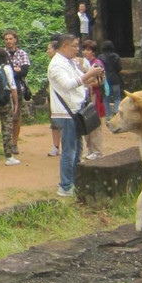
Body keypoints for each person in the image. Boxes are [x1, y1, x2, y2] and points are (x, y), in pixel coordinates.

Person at [48, 34, 104, 197]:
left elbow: (79, 82)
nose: (77, 49)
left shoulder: (69, 62)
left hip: (74, 110)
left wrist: (93, 76)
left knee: (77, 149)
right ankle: (65, 185)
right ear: (64, 46)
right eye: (74, 46)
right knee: (69, 150)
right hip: (66, 113)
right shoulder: (57, 64)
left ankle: (74, 181)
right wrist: (88, 74)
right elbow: (68, 85)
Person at [3, 30, 31, 153]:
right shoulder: (2, 54)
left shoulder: (22, 54)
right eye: (6, 39)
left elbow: (24, 71)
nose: (8, 41)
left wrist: (11, 70)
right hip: (4, 89)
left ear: (15, 39)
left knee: (16, 116)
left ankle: (14, 143)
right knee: (4, 116)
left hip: (19, 89)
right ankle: (7, 142)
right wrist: (16, 70)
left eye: (10, 39)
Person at [80, 40, 106, 160]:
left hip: (94, 96)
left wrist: (86, 82)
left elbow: (100, 81)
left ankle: (97, 151)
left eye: (88, 50)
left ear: (93, 52)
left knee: (95, 124)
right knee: (86, 123)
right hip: (85, 97)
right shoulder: (83, 63)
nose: (85, 52)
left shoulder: (97, 64)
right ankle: (90, 149)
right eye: (84, 49)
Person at [44, 34, 62, 157]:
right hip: (54, 97)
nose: (47, 51)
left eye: (49, 48)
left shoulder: (62, 63)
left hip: (62, 98)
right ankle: (56, 146)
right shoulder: (52, 64)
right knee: (54, 122)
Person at [99, 40, 123, 119]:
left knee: (106, 99)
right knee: (117, 98)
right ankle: (117, 113)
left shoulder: (100, 57)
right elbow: (119, 68)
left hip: (105, 80)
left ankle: (108, 115)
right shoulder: (115, 56)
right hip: (115, 79)